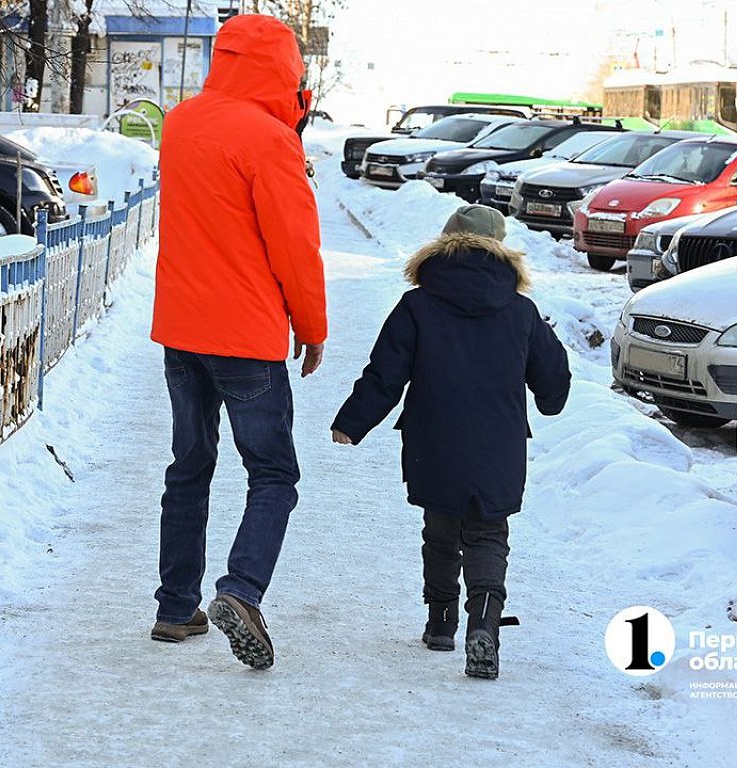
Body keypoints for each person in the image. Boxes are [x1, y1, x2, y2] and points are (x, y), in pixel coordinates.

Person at [149, 14, 327, 671]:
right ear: (285, 70)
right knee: (275, 473)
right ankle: (241, 591)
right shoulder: (271, 140)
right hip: (245, 337)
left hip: (180, 329)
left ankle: (175, 607)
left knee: (188, 464)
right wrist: (311, 329)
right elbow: (296, 249)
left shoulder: (181, 122)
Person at [331, 205, 570, 680]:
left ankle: (440, 623)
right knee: (487, 534)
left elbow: (386, 373)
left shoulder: (417, 304)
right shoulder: (521, 311)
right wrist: (549, 397)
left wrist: (353, 422)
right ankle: (484, 626)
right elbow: (554, 380)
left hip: (432, 439)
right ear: (503, 250)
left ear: (443, 244)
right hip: (497, 442)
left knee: (440, 531)